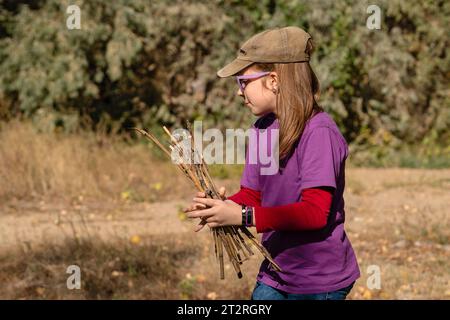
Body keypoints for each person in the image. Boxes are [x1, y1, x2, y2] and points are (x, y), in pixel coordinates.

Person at [184, 26, 360, 300]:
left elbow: (315, 212)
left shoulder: (319, 132)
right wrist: (223, 207)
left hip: (318, 281)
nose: (239, 92)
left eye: (244, 81)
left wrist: (242, 217)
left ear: (275, 80)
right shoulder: (262, 129)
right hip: (276, 271)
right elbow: (253, 196)